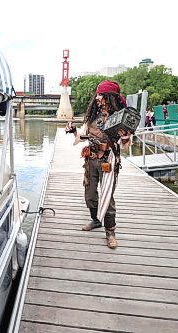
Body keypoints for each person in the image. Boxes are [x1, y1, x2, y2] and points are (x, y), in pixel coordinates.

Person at [65, 80, 130, 249]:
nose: (98, 98)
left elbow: (125, 144)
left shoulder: (120, 117)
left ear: (110, 97)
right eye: (98, 94)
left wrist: (125, 136)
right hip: (91, 160)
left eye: (101, 95)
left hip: (108, 160)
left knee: (108, 197)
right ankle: (95, 220)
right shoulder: (92, 116)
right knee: (90, 195)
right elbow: (83, 137)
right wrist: (73, 131)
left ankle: (110, 233)